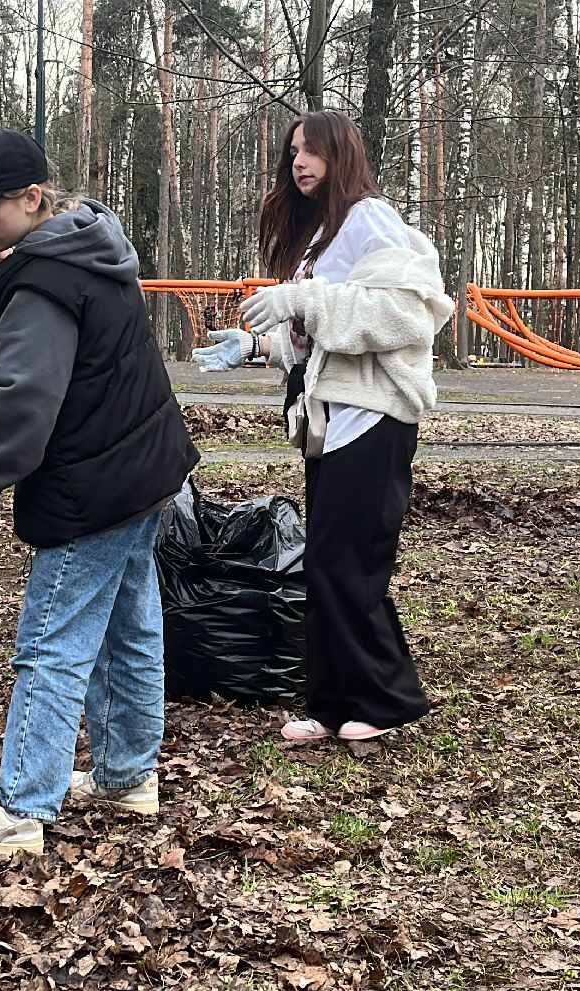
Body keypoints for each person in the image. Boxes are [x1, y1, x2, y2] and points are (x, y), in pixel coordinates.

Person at [0, 128, 199, 855]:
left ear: (32, 197)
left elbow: (25, 412)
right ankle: (127, 775)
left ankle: (21, 808)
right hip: (146, 471)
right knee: (130, 627)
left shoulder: (42, 285)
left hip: (94, 489)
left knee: (52, 644)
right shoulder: (96, 251)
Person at [193, 111, 453, 744]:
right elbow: (324, 339)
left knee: (351, 564)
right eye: (292, 154)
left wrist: (301, 298)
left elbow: (405, 315)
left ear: (341, 155)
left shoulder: (370, 218)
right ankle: (333, 704)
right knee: (326, 564)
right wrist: (257, 346)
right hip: (332, 421)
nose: (299, 164)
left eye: (311, 152)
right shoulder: (323, 236)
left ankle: (386, 699)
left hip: (375, 417)